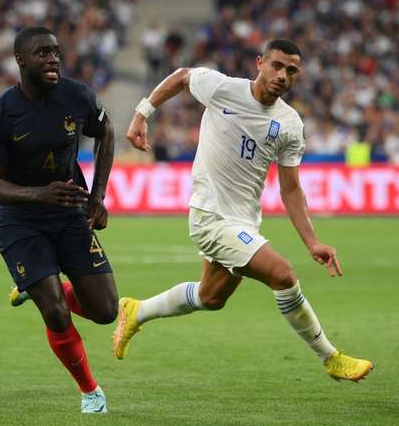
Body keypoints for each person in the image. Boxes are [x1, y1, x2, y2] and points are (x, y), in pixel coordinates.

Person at [114, 39, 373, 382]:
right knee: (282, 274)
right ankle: (330, 357)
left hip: (243, 220)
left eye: (291, 70)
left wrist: (313, 242)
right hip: (210, 216)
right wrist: (142, 115)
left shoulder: (290, 124)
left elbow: (291, 188)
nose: (282, 75)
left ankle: (137, 311)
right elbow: (181, 76)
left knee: (211, 296)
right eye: (276, 66)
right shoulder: (222, 88)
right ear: (259, 63)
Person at [0, 26, 117, 414]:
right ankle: (91, 393)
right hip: (20, 221)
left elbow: (105, 130)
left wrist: (98, 196)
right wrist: (40, 194)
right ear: (20, 60)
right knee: (54, 310)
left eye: (56, 52)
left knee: (106, 312)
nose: (52, 59)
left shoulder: (77, 96)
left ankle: (33, 286)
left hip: (70, 213)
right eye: (42, 53)